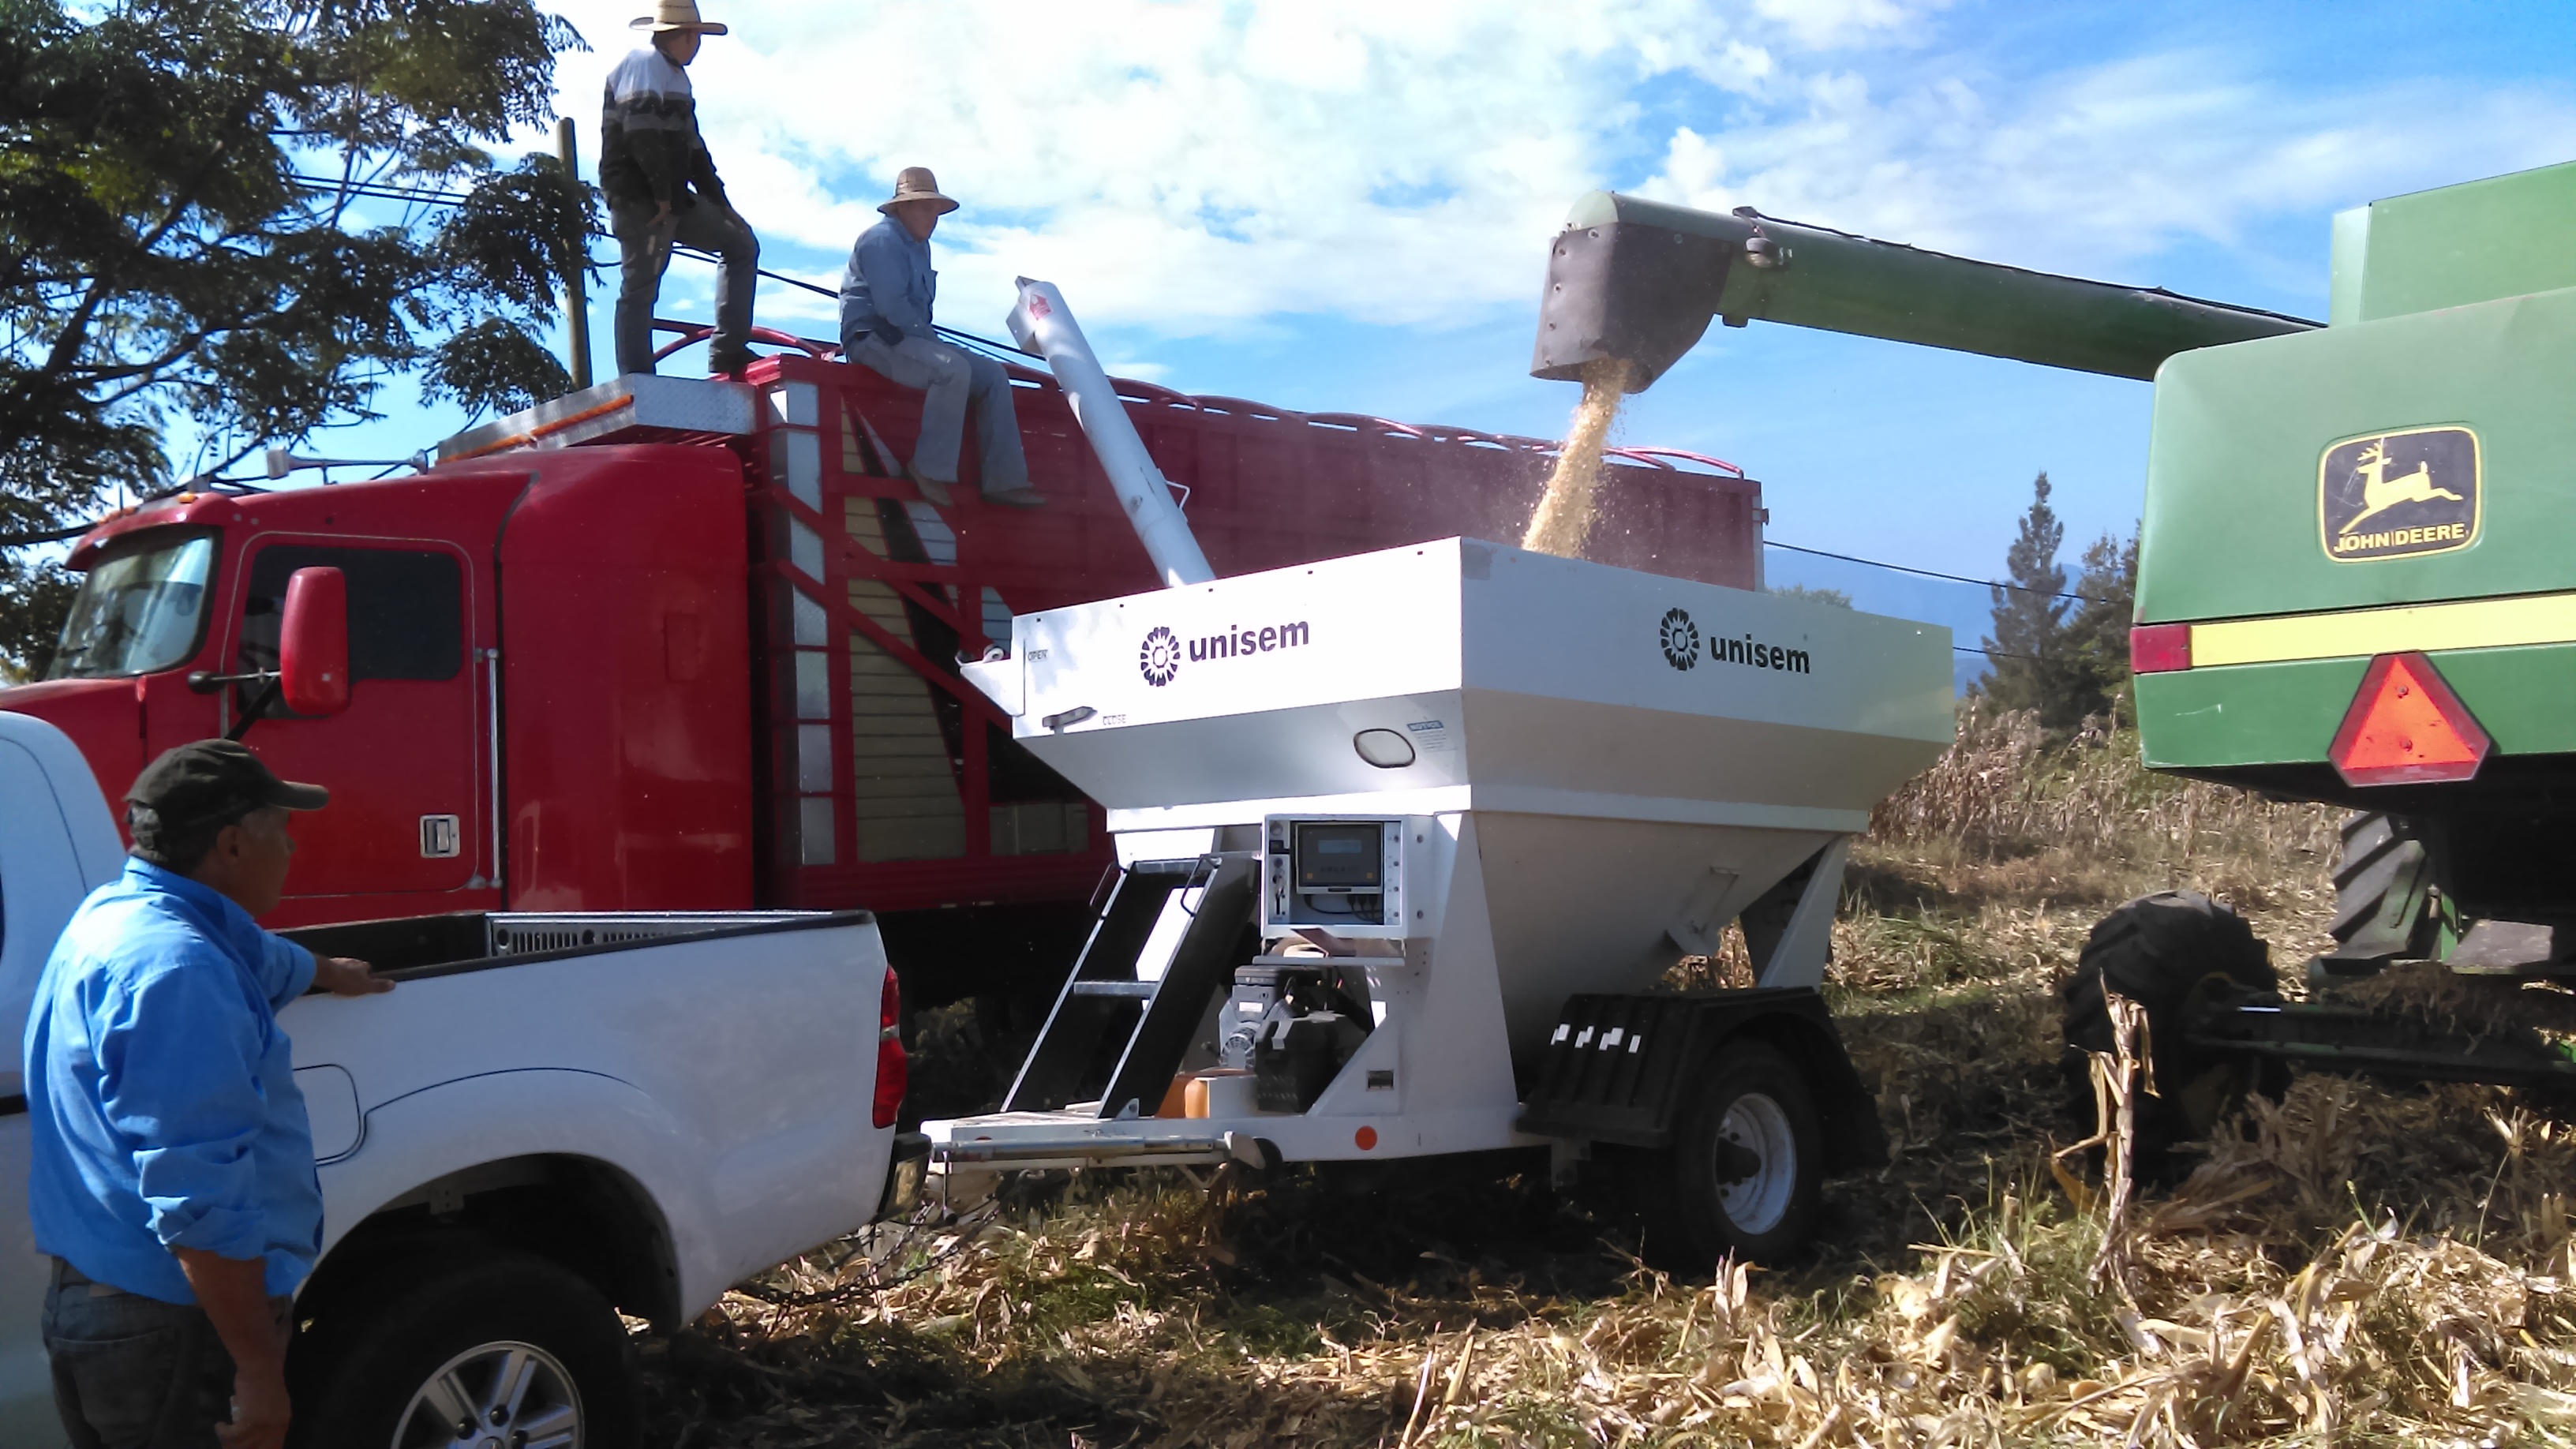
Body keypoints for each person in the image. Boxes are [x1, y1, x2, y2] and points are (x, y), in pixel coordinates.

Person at [24, 740, 393, 1449]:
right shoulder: (182, 973)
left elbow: (254, 951)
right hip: (177, 1328)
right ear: (230, 845)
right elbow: (199, 1203)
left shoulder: (118, 915)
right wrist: (257, 1370)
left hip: (107, 1306)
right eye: (280, 830)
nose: (290, 847)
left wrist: (327, 971)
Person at [840, 168, 1045, 508]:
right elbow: (892, 309)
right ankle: (928, 469)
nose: (931, 217)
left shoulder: (923, 248)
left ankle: (1004, 481)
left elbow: (915, 317)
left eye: (934, 209)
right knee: (951, 369)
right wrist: (935, 344)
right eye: (922, 207)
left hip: (909, 338)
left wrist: (931, 342)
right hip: (873, 339)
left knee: (993, 375)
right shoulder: (880, 240)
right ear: (901, 209)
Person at [601, 0, 759, 376]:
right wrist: (659, 194)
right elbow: (641, 133)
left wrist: (721, 204)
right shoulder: (642, 63)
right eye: (698, 37)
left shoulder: (678, 79)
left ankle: (728, 350)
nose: (699, 46)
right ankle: (637, 378)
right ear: (687, 36)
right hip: (640, 197)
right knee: (640, 285)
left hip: (670, 197)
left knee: (741, 244)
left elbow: (693, 148)